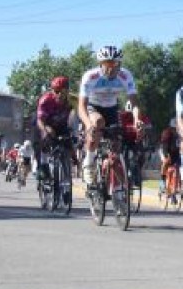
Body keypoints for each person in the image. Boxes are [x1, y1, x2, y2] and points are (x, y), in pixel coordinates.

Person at [78, 45, 140, 192]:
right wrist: (88, 124)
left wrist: (137, 119)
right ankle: (89, 161)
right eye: (107, 64)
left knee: (116, 147)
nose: (111, 68)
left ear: (120, 64)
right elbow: (81, 106)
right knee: (97, 123)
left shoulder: (125, 75)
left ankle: (118, 189)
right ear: (101, 64)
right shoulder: (90, 76)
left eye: (115, 64)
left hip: (111, 108)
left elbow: (134, 103)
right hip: (93, 107)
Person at [35, 76, 73, 184]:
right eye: (56, 91)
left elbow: (80, 115)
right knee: (44, 139)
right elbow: (40, 121)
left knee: (69, 142)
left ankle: (66, 168)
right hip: (45, 123)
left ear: (67, 91)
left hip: (61, 125)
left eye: (63, 91)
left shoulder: (72, 100)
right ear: (52, 90)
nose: (59, 94)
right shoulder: (45, 100)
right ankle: (43, 165)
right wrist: (45, 130)